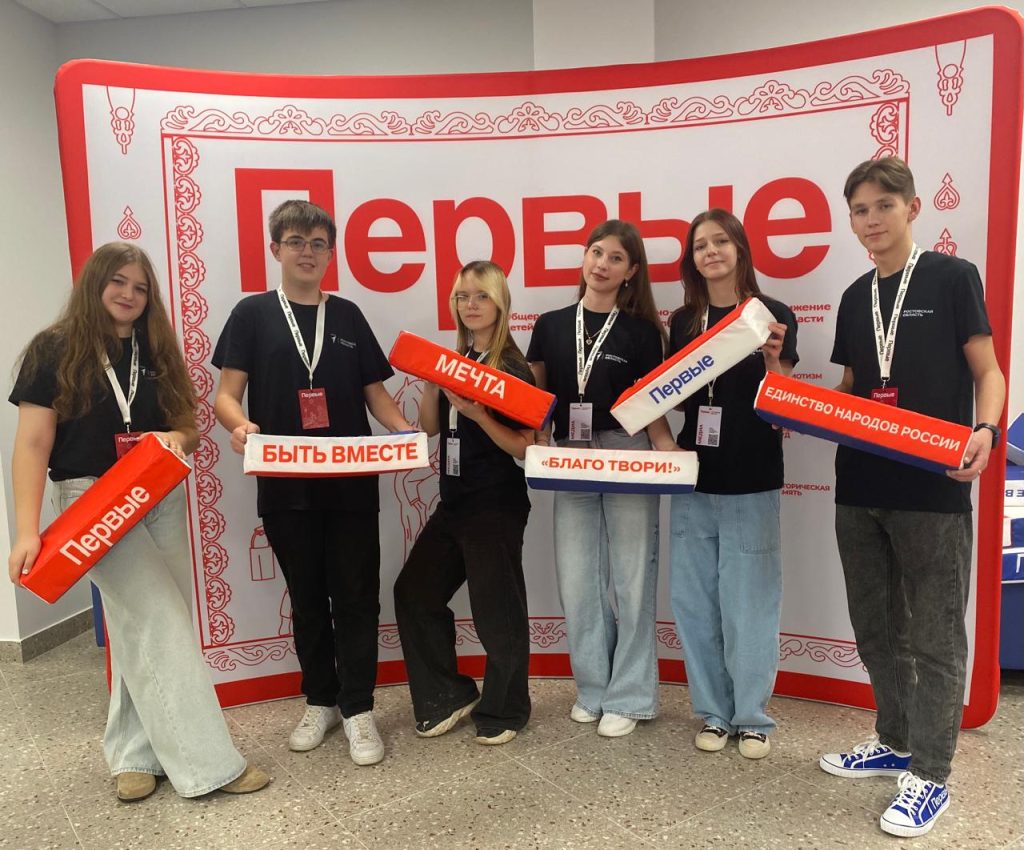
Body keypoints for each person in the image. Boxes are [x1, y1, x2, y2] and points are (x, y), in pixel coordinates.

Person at [7, 242, 269, 802]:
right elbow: (31, 444)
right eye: (118, 282)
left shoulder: (156, 349)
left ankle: (134, 753)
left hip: (157, 492)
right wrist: (26, 532)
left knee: (140, 625)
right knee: (160, 622)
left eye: (140, 287)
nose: (129, 294)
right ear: (95, 284)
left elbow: (188, 428)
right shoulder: (53, 348)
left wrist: (176, 437)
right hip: (90, 502)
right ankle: (210, 765)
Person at [819, 157, 1005, 838]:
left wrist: (986, 429)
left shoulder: (952, 278)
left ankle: (930, 775)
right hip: (859, 485)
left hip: (933, 486)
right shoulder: (853, 296)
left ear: (913, 208)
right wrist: (790, 395)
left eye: (883, 206)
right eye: (859, 210)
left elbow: (988, 371)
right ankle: (894, 740)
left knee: (934, 637)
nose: (871, 220)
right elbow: (851, 389)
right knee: (875, 630)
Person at [212, 200, 412, 766]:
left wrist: (404, 435)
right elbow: (226, 396)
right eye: (296, 241)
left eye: (318, 243)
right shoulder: (251, 314)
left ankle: (359, 708)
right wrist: (239, 425)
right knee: (305, 597)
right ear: (275, 249)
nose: (307, 251)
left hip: (350, 486)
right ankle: (321, 700)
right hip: (285, 484)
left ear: (330, 254)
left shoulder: (347, 315)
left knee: (356, 596)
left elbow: (376, 395)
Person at [526, 219, 676, 738]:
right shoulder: (549, 324)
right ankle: (593, 688)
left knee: (632, 579)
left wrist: (667, 451)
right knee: (578, 580)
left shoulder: (643, 331)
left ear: (631, 272)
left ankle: (630, 696)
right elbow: (539, 398)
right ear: (584, 257)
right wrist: (539, 442)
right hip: (570, 453)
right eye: (596, 252)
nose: (602, 264)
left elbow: (651, 404)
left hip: (625, 449)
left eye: (616, 258)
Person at [665, 209, 797, 760]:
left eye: (721, 241)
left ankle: (752, 718)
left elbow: (785, 405)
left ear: (740, 248)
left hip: (752, 479)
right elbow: (671, 397)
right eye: (701, 245)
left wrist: (775, 364)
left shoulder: (773, 314)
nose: (711, 252)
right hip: (694, 481)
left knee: (750, 605)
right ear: (692, 260)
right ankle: (714, 714)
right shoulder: (682, 322)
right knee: (695, 604)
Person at [393, 261, 534, 745]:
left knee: (498, 611)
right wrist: (431, 381)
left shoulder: (510, 367)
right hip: (454, 502)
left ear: (500, 303)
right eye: (462, 296)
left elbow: (525, 447)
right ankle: (448, 694)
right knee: (414, 593)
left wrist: (479, 416)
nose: (470, 305)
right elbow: (431, 428)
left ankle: (507, 709)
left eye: (481, 296)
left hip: (495, 503)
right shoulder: (456, 359)